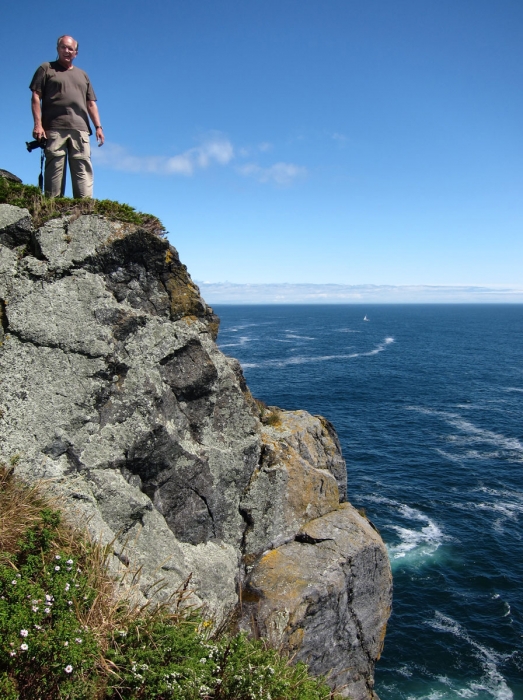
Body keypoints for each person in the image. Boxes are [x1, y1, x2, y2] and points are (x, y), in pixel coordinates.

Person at [29, 35, 104, 198]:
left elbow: (91, 103)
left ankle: (85, 212)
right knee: (54, 170)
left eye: (71, 48)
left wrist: (98, 127)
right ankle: (52, 211)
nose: (67, 51)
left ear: (76, 53)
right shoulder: (46, 68)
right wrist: (38, 125)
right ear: (58, 49)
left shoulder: (83, 75)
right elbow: (36, 96)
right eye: (64, 47)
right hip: (54, 128)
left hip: (81, 129)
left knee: (82, 168)